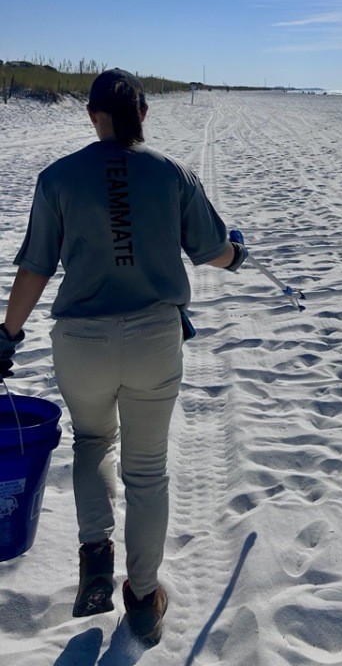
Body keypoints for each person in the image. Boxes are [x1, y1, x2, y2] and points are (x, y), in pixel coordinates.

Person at [0, 69, 246, 645]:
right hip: (153, 340)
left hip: (81, 344)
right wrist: (238, 254)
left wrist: (6, 335)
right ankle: (141, 594)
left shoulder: (58, 177)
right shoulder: (172, 174)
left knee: (92, 442)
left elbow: (35, 265)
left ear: (93, 115)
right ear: (143, 115)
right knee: (146, 469)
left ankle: (94, 552)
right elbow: (213, 252)